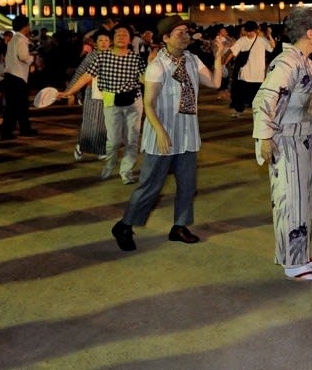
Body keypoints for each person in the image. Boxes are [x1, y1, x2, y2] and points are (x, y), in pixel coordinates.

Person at [109, 16, 224, 251]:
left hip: (187, 134)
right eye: (179, 32)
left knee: (187, 185)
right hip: (163, 135)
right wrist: (160, 132)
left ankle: (179, 226)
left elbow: (214, 83)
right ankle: (124, 224)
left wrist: (220, 55)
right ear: (165, 38)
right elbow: (149, 105)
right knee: (150, 185)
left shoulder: (192, 60)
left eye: (186, 31)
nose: (185, 36)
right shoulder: (157, 66)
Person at [253, 7, 312, 281]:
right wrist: (265, 136)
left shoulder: (304, 62)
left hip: (300, 139)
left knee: (303, 199)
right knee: (290, 200)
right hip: (287, 139)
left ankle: (300, 255)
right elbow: (264, 99)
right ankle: (292, 263)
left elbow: (306, 102)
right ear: (310, 32)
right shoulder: (287, 62)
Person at [58, 24, 147, 183]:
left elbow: (144, 79)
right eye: (117, 34)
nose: (121, 36)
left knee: (132, 139)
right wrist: (69, 92)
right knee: (112, 140)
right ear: (113, 38)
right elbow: (86, 76)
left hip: (133, 102)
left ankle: (126, 172)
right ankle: (110, 164)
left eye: (124, 34)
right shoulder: (101, 57)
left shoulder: (136, 58)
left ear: (130, 39)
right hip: (111, 102)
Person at [66, 29, 112, 162]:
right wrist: (70, 91)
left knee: (105, 123)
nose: (103, 43)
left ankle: (101, 150)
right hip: (93, 93)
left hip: (109, 94)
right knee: (91, 123)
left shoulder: (113, 56)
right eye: (100, 40)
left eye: (106, 40)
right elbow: (79, 73)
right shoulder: (91, 56)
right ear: (95, 43)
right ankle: (81, 146)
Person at [226, 21, 275, 119]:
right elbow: (233, 51)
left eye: (251, 31)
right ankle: (238, 110)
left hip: (258, 74)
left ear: (256, 31)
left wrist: (269, 35)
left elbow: (272, 48)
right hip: (245, 72)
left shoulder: (262, 40)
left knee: (257, 96)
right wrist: (225, 62)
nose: (249, 34)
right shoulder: (242, 40)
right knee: (240, 94)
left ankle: (259, 113)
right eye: (247, 31)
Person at [0, 14, 37, 141]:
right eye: (28, 25)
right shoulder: (21, 40)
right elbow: (23, 57)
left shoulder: (13, 39)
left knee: (18, 104)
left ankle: (23, 128)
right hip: (18, 76)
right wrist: (32, 58)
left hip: (11, 75)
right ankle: (8, 131)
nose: (29, 27)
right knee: (16, 105)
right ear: (24, 26)